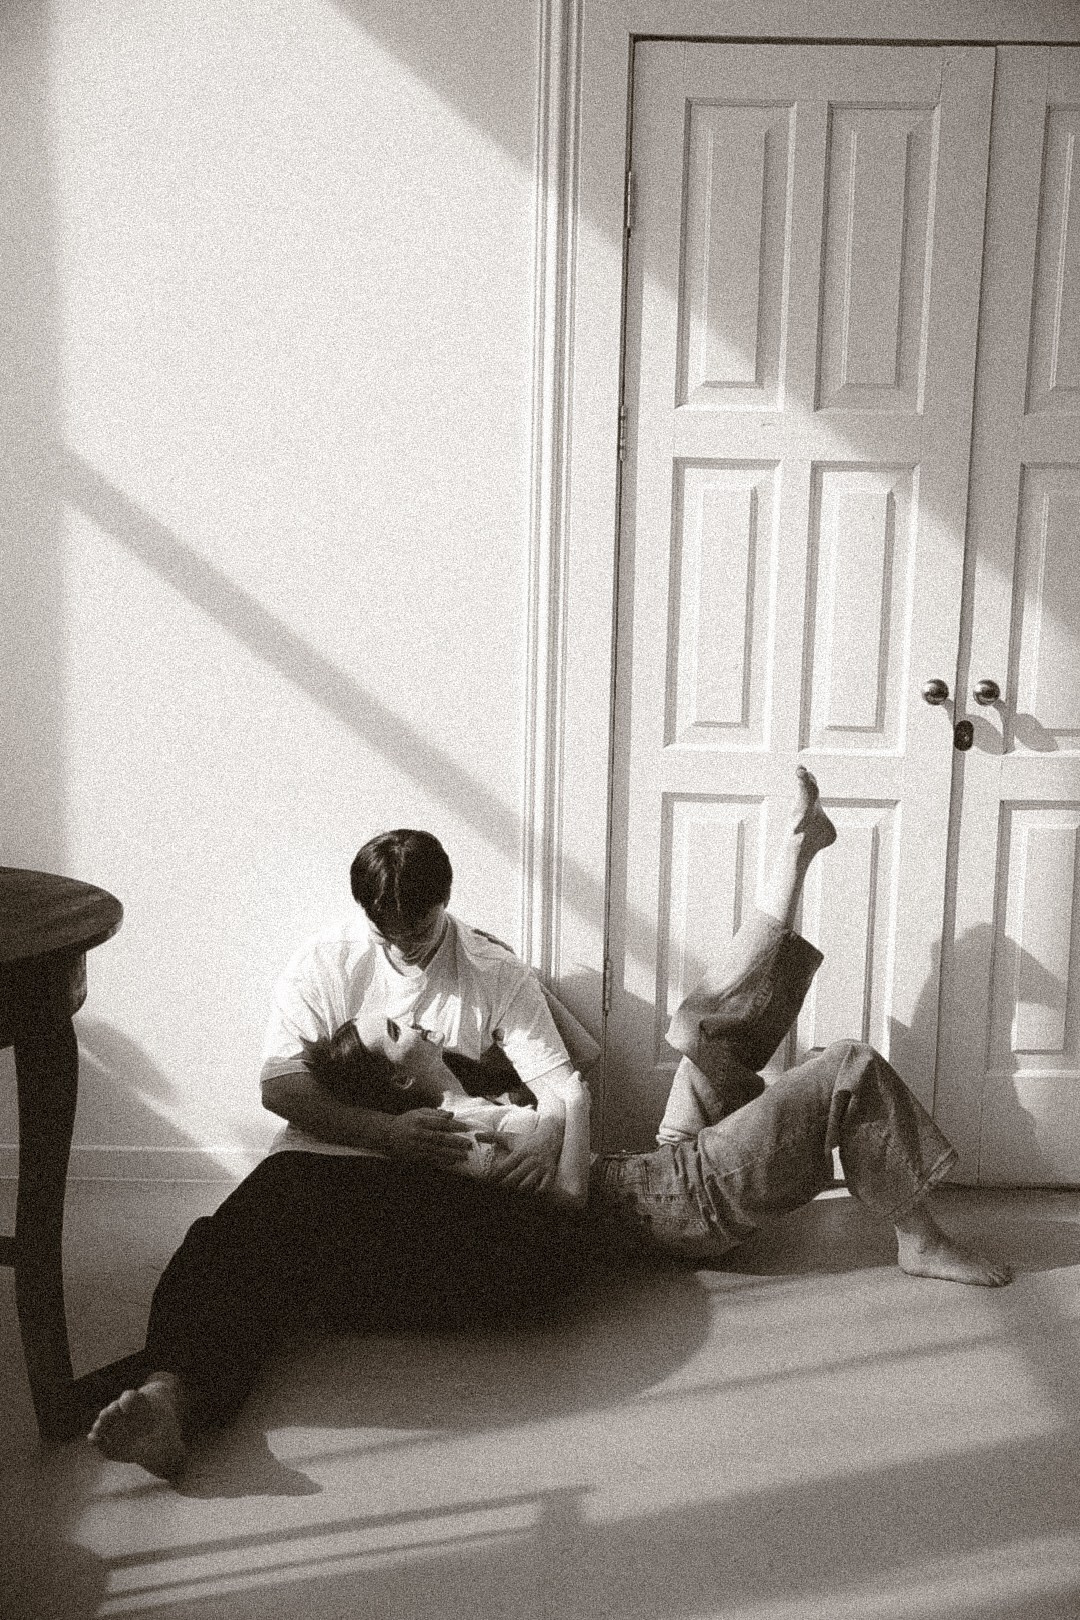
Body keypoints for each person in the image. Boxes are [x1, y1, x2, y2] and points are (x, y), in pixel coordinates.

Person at [88, 774, 1008, 1481]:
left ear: (442, 905)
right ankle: (918, 1233)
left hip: (636, 1183)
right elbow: (283, 1086)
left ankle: (796, 855)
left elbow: (565, 1094)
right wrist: (409, 1136)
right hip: (650, 1195)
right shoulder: (357, 1006)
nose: (403, 962)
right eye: (387, 940)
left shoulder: (486, 986)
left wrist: (552, 1169)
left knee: (708, 1034)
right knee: (831, 1065)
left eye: (417, 930)